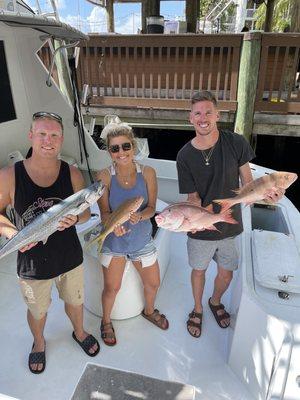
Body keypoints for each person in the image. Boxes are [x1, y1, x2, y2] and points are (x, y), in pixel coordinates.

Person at [176, 91, 283, 338]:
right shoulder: (184, 155)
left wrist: (268, 195)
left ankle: (215, 301)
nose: (203, 118)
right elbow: (193, 199)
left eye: (208, 112)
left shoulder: (236, 142)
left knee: (226, 272)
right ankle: (197, 307)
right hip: (201, 227)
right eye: (198, 113)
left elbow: (249, 183)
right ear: (190, 118)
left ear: (218, 115)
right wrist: (193, 221)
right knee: (199, 270)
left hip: (230, 224)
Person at [0, 111, 100, 374]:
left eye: (54, 135)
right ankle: (39, 342)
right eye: (42, 134)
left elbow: (87, 211)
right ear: (31, 135)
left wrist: (76, 218)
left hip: (69, 255)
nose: (48, 140)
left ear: (61, 139)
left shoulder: (73, 173)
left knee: (75, 301)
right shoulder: (10, 175)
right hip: (32, 261)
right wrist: (12, 234)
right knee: (38, 310)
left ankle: (79, 332)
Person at [96, 118, 168, 346]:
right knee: (111, 288)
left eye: (126, 146)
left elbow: (151, 208)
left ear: (133, 146)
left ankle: (149, 311)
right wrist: (113, 226)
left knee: (153, 284)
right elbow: (105, 213)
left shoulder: (148, 172)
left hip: (141, 240)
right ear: (109, 152)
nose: (121, 152)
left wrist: (141, 216)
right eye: (115, 148)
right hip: (115, 243)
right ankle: (106, 321)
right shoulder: (104, 176)